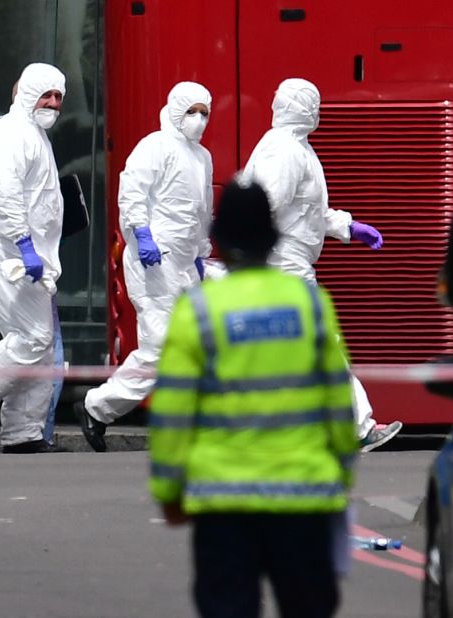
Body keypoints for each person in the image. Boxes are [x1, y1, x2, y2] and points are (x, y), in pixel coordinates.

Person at [149, 178, 358, 618]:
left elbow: (173, 411)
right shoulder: (310, 303)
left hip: (224, 504)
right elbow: (339, 402)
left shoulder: (199, 310)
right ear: (271, 241)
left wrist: (169, 489)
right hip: (305, 497)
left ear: (219, 244)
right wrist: (342, 470)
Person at [242, 77, 402, 452]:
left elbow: (306, 210)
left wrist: (347, 226)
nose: (317, 111)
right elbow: (264, 209)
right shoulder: (283, 151)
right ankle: (356, 428)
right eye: (312, 103)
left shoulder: (295, 148)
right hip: (282, 264)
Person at [74, 81, 220, 452]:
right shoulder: (154, 146)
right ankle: (97, 407)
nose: (199, 120)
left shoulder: (202, 157)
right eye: (192, 111)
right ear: (175, 110)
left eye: (205, 112)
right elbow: (132, 192)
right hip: (152, 261)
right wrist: (142, 235)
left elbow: (202, 210)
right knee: (160, 349)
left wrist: (201, 253)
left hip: (184, 262)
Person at [0, 62, 67, 454]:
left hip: (32, 260)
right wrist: (23, 244)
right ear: (26, 94)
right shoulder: (9, 135)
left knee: (39, 344)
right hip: (8, 256)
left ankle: (24, 433)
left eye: (58, 97)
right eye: (46, 95)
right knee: (32, 338)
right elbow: (7, 195)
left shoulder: (34, 135)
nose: (53, 104)